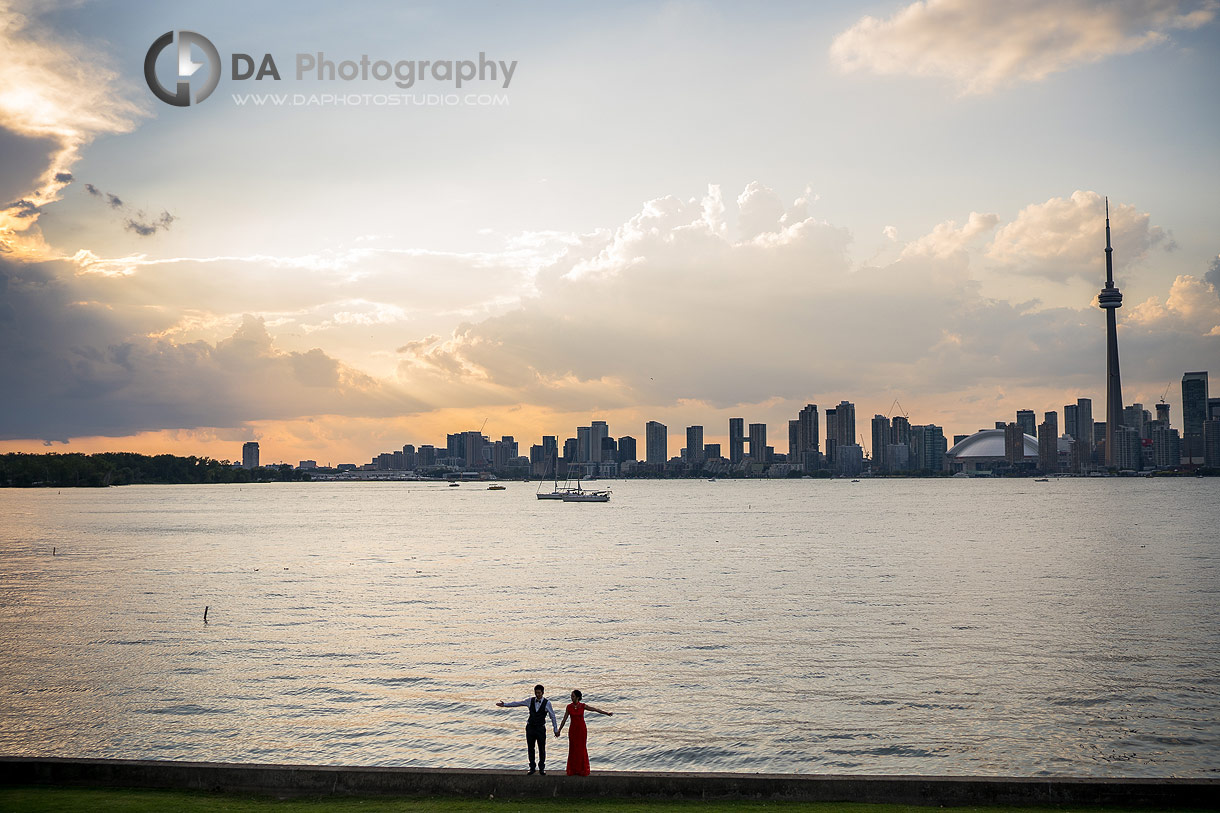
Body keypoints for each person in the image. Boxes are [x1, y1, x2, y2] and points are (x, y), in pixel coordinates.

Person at [496, 684, 559, 775]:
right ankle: (532, 768)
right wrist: (505, 704)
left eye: (539, 693)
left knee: (541, 748)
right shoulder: (530, 701)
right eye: (536, 693)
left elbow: (552, 716)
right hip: (530, 728)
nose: (537, 695)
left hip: (541, 728)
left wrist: (555, 729)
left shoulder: (547, 703)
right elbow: (518, 703)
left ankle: (541, 768)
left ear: (543, 693)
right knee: (531, 748)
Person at [557, 689, 612, 776]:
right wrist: (559, 730)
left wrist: (606, 713)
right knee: (573, 749)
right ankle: (573, 769)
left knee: (581, 748)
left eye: (573, 696)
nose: (571, 698)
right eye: (571, 696)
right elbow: (564, 719)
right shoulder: (569, 707)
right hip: (573, 730)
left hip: (581, 730)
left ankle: (582, 769)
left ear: (578, 697)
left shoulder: (583, 706)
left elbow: (594, 709)